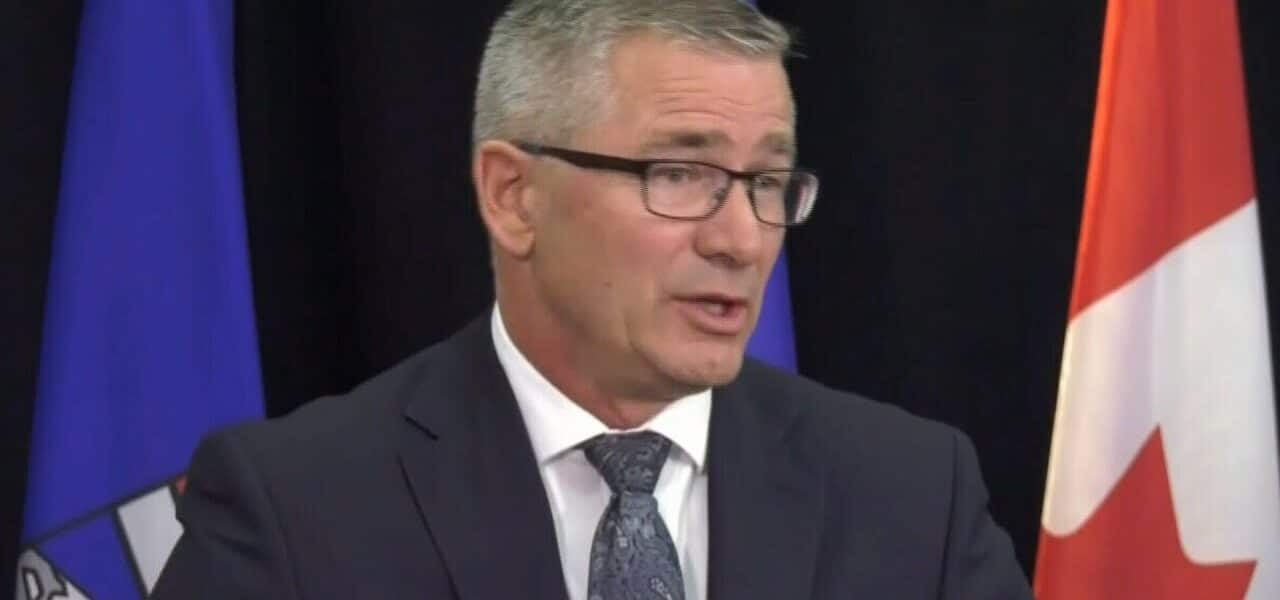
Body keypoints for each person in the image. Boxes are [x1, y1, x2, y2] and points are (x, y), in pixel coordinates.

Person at [153, 0, 1032, 598]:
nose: (741, 239)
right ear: (513, 196)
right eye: (678, 173)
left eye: (767, 181)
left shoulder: (913, 498)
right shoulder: (296, 509)